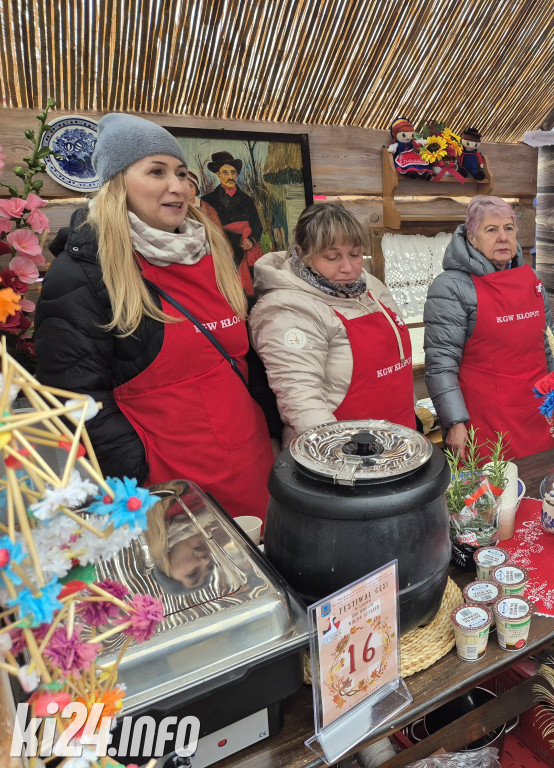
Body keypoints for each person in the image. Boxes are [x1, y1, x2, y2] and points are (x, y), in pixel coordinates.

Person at [35, 113, 274, 521]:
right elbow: (74, 401)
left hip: (253, 468)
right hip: (173, 495)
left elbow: (244, 360)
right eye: (157, 171)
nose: (177, 186)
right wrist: (140, 473)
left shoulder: (211, 253)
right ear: (116, 184)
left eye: (182, 173)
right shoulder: (84, 272)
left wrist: (274, 431)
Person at [250, 203, 415, 444]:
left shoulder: (369, 286)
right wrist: (339, 456)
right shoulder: (287, 309)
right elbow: (302, 401)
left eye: (355, 254)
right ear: (302, 252)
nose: (348, 268)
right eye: (332, 257)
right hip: (343, 449)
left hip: (398, 435)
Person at [424, 196, 554, 461]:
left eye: (508, 228)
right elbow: (441, 365)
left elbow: (550, 347)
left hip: (536, 413)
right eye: (491, 229)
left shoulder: (532, 279)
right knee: (492, 496)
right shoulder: (450, 287)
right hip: (486, 420)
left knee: (539, 487)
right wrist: (455, 422)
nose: (502, 237)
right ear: (472, 238)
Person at [201, 150, 265, 296]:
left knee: (250, 291)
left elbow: (257, 226)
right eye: (225, 172)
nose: (230, 177)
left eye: (233, 172)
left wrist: (251, 240)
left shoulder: (247, 200)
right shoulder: (208, 200)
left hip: (246, 248)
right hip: (223, 249)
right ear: (217, 175)